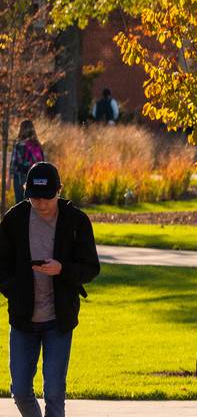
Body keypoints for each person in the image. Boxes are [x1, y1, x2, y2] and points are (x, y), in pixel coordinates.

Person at [1, 162, 99, 417]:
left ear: (59, 190)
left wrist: (62, 269)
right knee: (21, 391)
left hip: (59, 319)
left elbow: (91, 267)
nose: (41, 203)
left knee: (54, 393)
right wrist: (14, 290)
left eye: (47, 197)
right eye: (34, 197)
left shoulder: (76, 221)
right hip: (23, 319)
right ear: (26, 191)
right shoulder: (14, 219)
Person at [9, 124, 44, 206]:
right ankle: (31, 218)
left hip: (20, 176)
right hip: (35, 177)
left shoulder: (19, 143)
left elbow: (14, 161)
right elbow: (42, 162)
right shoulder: (37, 144)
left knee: (19, 203)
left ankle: (21, 219)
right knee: (32, 202)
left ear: (21, 129)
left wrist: (10, 176)